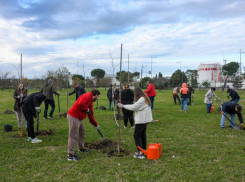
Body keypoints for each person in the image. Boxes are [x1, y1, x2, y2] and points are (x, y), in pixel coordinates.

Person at [117, 87, 152, 159]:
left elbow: (134, 107)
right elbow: (137, 105)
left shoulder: (142, 99)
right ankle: (143, 150)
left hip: (142, 120)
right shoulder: (145, 97)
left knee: (137, 136)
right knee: (142, 135)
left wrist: (123, 105)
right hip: (145, 120)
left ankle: (140, 153)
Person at [67, 89, 101, 161]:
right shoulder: (87, 95)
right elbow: (80, 103)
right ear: (95, 95)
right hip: (74, 116)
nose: (97, 98)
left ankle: (81, 149)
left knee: (82, 133)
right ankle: (70, 155)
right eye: (97, 97)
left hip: (79, 118)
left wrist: (95, 124)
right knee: (73, 135)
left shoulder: (90, 102)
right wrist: (86, 109)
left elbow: (91, 114)